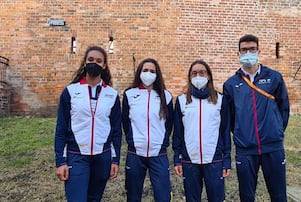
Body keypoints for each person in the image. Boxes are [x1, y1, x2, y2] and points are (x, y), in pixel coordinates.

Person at [223, 34, 290, 201]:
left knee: (279, 195)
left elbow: (284, 108)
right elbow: (230, 117)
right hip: (245, 149)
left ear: (259, 51)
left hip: (273, 147)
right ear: (238, 53)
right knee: (246, 196)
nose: (248, 53)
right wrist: (242, 133)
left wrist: (275, 131)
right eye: (244, 50)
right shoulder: (231, 84)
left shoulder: (274, 77)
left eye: (252, 49)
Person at [54, 46, 122, 202]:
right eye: (90, 60)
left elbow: (116, 130)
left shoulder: (111, 95)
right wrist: (61, 161)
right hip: (77, 155)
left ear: (104, 65)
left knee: (94, 199)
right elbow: (61, 128)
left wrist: (115, 159)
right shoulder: (70, 92)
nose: (94, 63)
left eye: (99, 61)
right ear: (85, 62)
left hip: (102, 156)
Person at [172, 60, 232, 202]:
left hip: (214, 159)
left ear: (209, 76)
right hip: (189, 159)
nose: (198, 75)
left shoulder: (220, 100)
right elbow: (178, 134)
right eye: (194, 73)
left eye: (202, 72)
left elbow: (225, 131)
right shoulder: (181, 101)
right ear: (190, 77)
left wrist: (227, 159)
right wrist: (177, 159)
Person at [122, 58, 174, 202]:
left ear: (157, 75)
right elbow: (125, 121)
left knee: (163, 196)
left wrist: (162, 141)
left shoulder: (166, 96)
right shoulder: (130, 94)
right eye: (145, 70)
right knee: (133, 195)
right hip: (135, 153)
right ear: (139, 72)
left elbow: (169, 123)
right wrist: (132, 140)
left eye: (152, 71)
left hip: (158, 153)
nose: (148, 74)